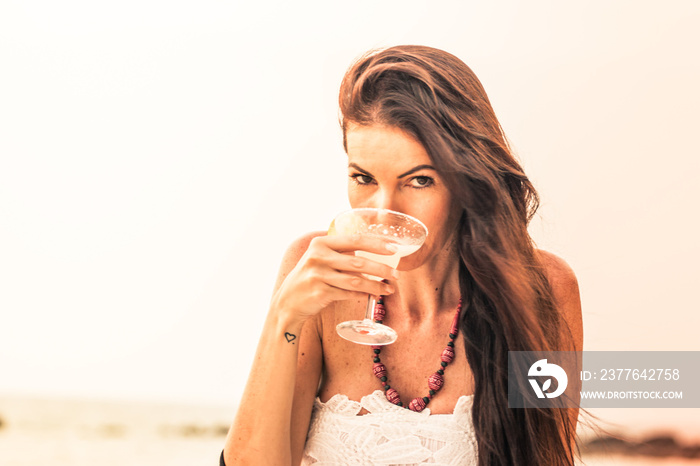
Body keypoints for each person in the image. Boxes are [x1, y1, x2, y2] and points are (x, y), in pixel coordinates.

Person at [222, 45, 583, 465]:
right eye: (363, 178)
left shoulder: (544, 290)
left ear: (466, 177)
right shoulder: (314, 274)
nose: (383, 212)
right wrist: (285, 315)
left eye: (419, 181)